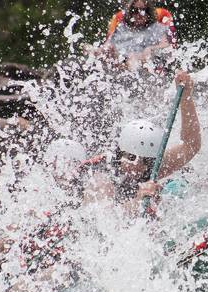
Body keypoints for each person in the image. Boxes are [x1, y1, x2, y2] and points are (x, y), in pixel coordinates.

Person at [78, 70, 201, 216]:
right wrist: (138, 200)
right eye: (131, 158)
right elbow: (104, 219)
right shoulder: (102, 176)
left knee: (178, 188)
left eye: (146, 161)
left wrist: (186, 97)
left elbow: (191, 145)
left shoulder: (149, 165)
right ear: (120, 153)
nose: (137, 165)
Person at [97, 0, 176, 69]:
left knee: (133, 58)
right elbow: (107, 45)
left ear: (149, 12)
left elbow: (166, 45)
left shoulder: (157, 28)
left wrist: (151, 49)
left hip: (144, 65)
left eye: (143, 10)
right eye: (135, 11)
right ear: (130, 13)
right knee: (102, 52)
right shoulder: (121, 28)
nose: (139, 14)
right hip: (120, 63)